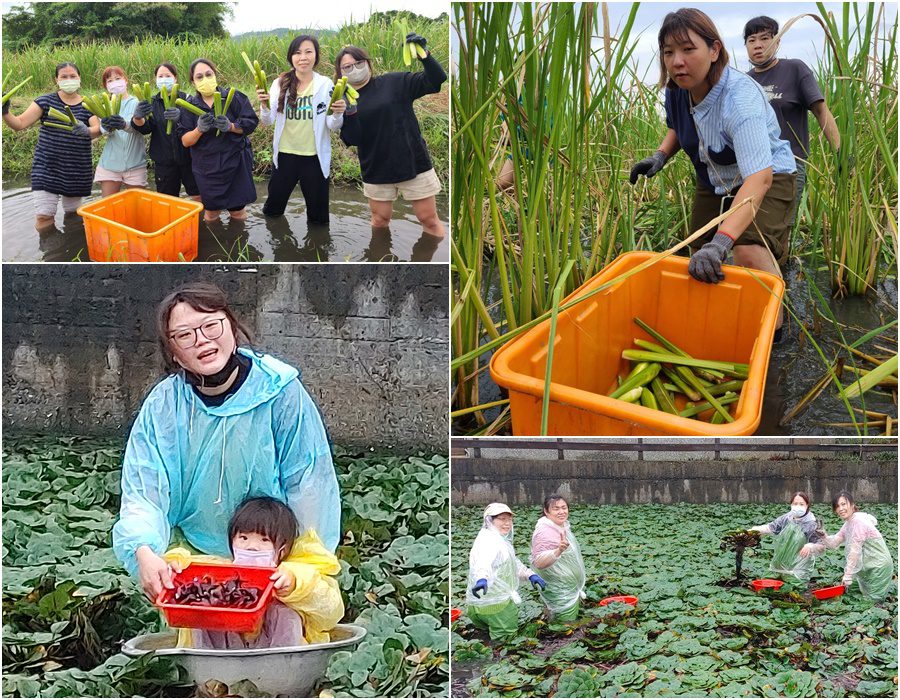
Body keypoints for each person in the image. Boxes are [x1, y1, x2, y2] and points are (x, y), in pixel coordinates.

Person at [112, 282, 340, 602]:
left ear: (231, 326)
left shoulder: (279, 391)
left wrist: (299, 566)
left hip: (274, 559)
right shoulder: (164, 406)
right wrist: (143, 549)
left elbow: (308, 483)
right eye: (185, 335)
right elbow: (145, 491)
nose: (202, 340)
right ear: (173, 354)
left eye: (210, 325)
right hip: (198, 562)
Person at [629, 8, 796, 334]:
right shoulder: (677, 90)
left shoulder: (740, 99)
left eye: (688, 49)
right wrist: (661, 155)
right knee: (698, 251)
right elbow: (679, 126)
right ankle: (716, 319)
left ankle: (775, 329)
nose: (677, 61)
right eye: (668, 52)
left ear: (714, 50)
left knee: (746, 247)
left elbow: (758, 178)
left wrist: (724, 242)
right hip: (713, 176)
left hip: (766, 175)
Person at [163, 496, 343, 648]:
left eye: (264, 540)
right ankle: (209, 677)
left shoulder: (292, 573)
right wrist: (173, 569)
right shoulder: (221, 572)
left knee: (287, 614)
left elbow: (331, 609)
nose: (252, 547)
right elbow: (184, 564)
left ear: (283, 549)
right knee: (203, 611)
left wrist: (295, 585)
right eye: (243, 538)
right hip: (222, 659)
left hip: (278, 660)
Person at [743, 15, 840, 250]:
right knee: (750, 229)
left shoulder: (794, 69)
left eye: (765, 38)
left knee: (780, 229)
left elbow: (821, 111)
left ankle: (780, 278)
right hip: (753, 166)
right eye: (752, 39)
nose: (758, 45)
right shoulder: (743, 82)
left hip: (791, 165)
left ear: (777, 42)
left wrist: (840, 153)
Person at [335, 36, 447, 239]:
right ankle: (380, 260)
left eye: (359, 63)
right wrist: (349, 112)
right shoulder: (342, 100)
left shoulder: (395, 82)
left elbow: (436, 79)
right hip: (376, 168)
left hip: (413, 162)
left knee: (429, 220)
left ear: (368, 63)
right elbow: (353, 139)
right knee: (379, 221)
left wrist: (424, 54)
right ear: (340, 73)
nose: (354, 69)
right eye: (347, 67)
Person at [257, 35, 344, 223]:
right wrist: (263, 105)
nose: (303, 57)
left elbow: (333, 126)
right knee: (273, 210)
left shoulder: (325, 84)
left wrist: (337, 114)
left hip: (314, 158)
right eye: (297, 53)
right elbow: (269, 120)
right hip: (285, 155)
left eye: (308, 52)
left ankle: (318, 248)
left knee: (318, 217)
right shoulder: (279, 83)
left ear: (316, 56)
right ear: (291, 57)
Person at [2, 62, 99, 229]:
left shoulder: (88, 104)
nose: (69, 79)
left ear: (79, 78)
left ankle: (70, 248)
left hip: (77, 168)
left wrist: (87, 130)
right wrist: (4, 112)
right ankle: (49, 252)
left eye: (72, 76)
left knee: (73, 215)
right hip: (47, 167)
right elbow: (19, 124)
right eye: (64, 77)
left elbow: (97, 129)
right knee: (44, 216)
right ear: (57, 80)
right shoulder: (45, 101)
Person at [178, 58, 259, 222]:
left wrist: (231, 126)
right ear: (193, 83)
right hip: (207, 168)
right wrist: (199, 129)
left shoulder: (233, 97)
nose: (205, 79)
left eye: (209, 74)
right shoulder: (188, 106)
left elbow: (251, 123)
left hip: (235, 163)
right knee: (211, 214)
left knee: (238, 212)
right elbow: (186, 141)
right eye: (199, 77)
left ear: (215, 75)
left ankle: (239, 244)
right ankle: (214, 246)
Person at [465, 503, 545, 640]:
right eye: (502, 519)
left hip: (479, 605)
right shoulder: (488, 541)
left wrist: (530, 575)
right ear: (489, 520)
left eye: (509, 519)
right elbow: (483, 562)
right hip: (497, 607)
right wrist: (482, 578)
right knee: (505, 645)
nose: (507, 523)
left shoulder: (498, 540)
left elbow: (511, 563)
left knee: (489, 637)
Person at [800, 492, 894, 602]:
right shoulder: (849, 523)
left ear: (852, 504)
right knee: (850, 590)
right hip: (865, 566)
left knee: (871, 602)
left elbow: (855, 551)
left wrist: (848, 575)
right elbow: (834, 543)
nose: (841, 508)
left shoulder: (858, 522)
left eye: (844, 504)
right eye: (837, 506)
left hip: (879, 566)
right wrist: (824, 536)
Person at [131, 63, 200, 200]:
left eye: (167, 76)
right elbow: (145, 129)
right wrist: (137, 117)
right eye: (160, 76)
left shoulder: (187, 100)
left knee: (197, 197)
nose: (164, 79)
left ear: (175, 79)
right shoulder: (151, 102)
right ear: (155, 80)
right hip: (164, 162)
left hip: (189, 159)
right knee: (167, 200)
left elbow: (197, 124)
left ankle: (199, 221)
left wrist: (181, 117)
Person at [530, 495, 586, 620]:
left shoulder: (560, 526)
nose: (561, 512)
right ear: (546, 511)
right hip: (560, 590)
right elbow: (539, 562)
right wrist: (558, 550)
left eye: (564, 507)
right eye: (556, 509)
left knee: (559, 623)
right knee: (565, 629)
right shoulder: (545, 531)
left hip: (567, 588)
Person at [94, 66, 148, 196]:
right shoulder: (103, 107)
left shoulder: (138, 103)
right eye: (110, 81)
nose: (115, 83)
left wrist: (125, 125)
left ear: (126, 80)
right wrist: (104, 128)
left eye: (118, 78)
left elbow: (143, 128)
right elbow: (99, 133)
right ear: (106, 86)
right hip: (110, 165)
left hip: (136, 164)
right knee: (109, 207)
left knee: (138, 207)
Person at [748, 491, 824, 582]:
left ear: (807, 505)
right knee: (767, 586)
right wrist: (754, 530)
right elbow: (771, 527)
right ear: (791, 504)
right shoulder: (786, 518)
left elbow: (821, 545)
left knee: (792, 589)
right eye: (795, 503)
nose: (798, 506)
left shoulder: (812, 523)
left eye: (801, 504)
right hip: (779, 564)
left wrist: (810, 546)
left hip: (798, 567)